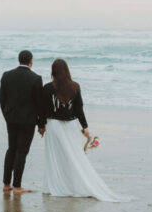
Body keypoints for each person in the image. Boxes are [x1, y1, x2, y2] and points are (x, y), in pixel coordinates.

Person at [40, 58, 130, 202]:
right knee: (74, 156)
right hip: (71, 126)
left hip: (54, 125)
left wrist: (41, 126)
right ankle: (74, 184)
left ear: (53, 71)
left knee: (56, 157)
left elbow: (43, 109)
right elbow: (79, 109)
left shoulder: (47, 88)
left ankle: (57, 185)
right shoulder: (75, 87)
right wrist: (85, 126)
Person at [0, 50, 46, 194]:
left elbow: (2, 99)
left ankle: (6, 184)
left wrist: (6, 115)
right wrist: (41, 124)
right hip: (28, 121)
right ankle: (17, 186)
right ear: (31, 61)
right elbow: (40, 104)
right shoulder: (36, 78)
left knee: (11, 149)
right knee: (22, 152)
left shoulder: (7, 75)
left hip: (11, 119)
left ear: (19, 60)